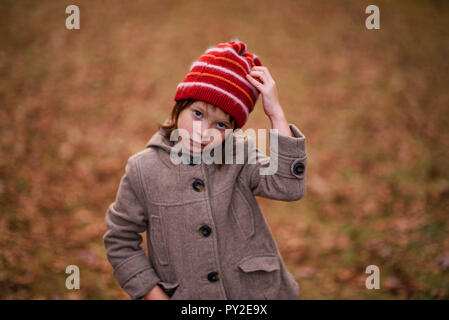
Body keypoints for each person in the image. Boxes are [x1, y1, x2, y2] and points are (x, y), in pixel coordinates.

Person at [103, 39, 307, 300]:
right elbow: (120, 240)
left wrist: (276, 114)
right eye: (197, 114)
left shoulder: (240, 155)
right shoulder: (143, 170)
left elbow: (287, 186)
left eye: (220, 125)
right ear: (180, 106)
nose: (203, 132)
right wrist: (151, 293)